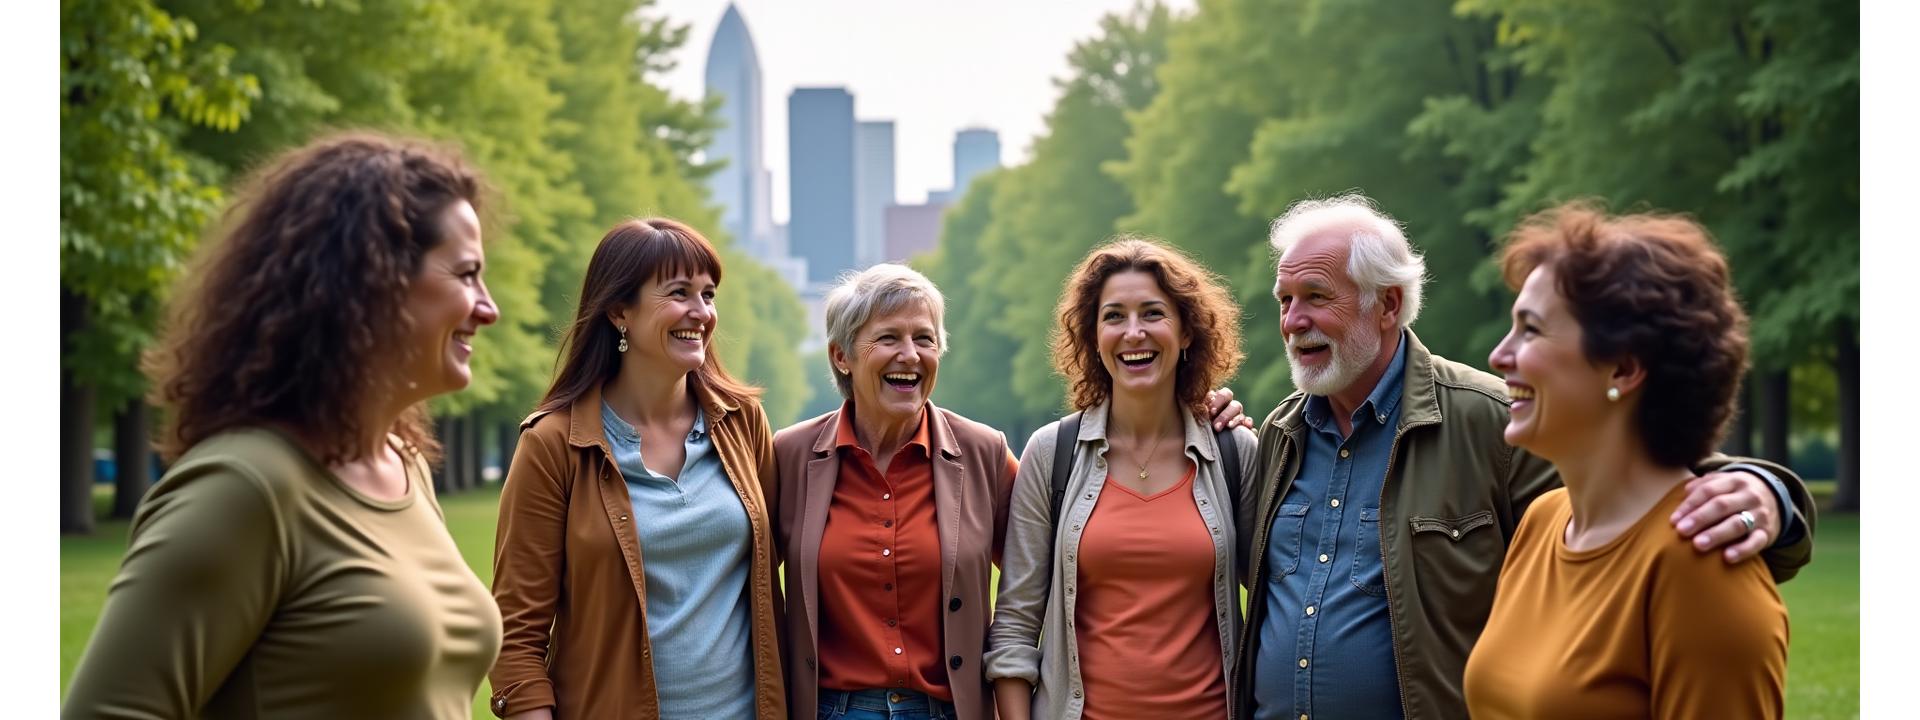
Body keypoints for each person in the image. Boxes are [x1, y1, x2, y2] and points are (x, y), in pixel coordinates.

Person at [1234, 193, 1816, 720]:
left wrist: (1769, 491)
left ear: (1387, 305)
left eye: (1315, 297)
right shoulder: (1280, 435)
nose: (1292, 321)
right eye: (1284, 300)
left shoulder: (1489, 417)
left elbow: (1640, 485)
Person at [63, 132, 504, 719]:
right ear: (374, 283)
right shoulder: (246, 485)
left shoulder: (407, 466)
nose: (488, 306)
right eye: (467, 274)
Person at [1464, 203, 1788, 717]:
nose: (1499, 356)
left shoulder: (1700, 566)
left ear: (1623, 368)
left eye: (1530, 330)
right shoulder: (1542, 522)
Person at [487, 219, 784, 719]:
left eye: (708, 295)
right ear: (619, 310)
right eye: (679, 293)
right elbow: (515, 637)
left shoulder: (742, 423)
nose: (702, 313)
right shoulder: (552, 444)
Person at [986, 238, 1261, 720]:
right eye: (1114, 316)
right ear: (1093, 337)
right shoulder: (1053, 453)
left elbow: (1278, 602)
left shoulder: (1234, 452)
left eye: (1153, 313)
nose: (1134, 332)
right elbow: (1013, 626)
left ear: (1187, 331)